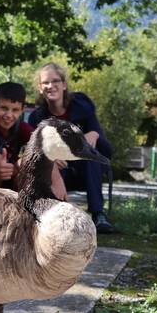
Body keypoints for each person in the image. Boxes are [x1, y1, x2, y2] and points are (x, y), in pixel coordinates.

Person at [28, 62, 114, 233]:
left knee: (92, 156)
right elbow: (33, 152)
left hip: (85, 172)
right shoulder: (36, 118)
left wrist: (94, 134)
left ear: (64, 85)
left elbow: (107, 151)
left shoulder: (83, 109)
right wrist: (49, 158)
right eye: (45, 82)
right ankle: (50, 217)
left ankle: (98, 214)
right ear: (40, 88)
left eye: (55, 81)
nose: (50, 86)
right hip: (58, 173)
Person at [0, 81, 67, 199]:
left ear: (22, 110)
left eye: (15, 110)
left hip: (11, 178)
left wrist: (57, 181)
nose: (9, 115)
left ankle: (25, 203)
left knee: (28, 159)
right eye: (4, 108)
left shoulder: (22, 127)